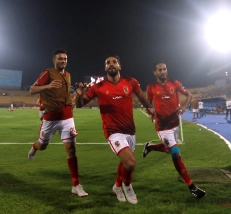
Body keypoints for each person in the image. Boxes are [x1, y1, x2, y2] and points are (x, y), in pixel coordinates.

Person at [75, 54, 153, 205]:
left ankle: (117, 186)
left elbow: (141, 97)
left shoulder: (131, 82)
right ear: (105, 67)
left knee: (125, 162)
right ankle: (127, 186)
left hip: (130, 130)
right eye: (108, 63)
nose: (111, 64)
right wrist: (79, 95)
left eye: (114, 62)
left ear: (119, 66)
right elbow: (79, 104)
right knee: (130, 163)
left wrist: (150, 109)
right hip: (113, 131)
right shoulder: (98, 87)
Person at [28, 48, 88, 197]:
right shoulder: (47, 73)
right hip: (50, 118)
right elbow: (32, 89)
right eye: (60, 59)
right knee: (42, 146)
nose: (63, 61)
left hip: (67, 116)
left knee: (71, 150)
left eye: (65, 59)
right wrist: (47, 86)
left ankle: (76, 185)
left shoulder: (68, 75)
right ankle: (34, 147)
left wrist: (76, 93)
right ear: (54, 60)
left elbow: (65, 92)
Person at [142, 62, 206, 199]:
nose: (163, 71)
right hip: (162, 126)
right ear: (155, 72)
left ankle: (151, 147)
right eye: (159, 70)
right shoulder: (151, 87)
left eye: (164, 69)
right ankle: (192, 187)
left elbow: (188, 95)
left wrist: (183, 106)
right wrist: (150, 111)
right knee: (175, 152)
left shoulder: (175, 83)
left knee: (168, 149)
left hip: (174, 123)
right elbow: (147, 104)